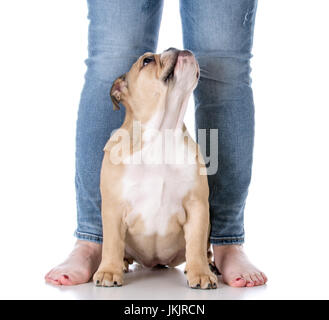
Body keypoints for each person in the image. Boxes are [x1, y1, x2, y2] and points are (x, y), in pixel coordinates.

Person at [45, 0, 267, 288]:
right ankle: (95, 242)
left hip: (179, 236)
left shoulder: (192, 156)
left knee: (222, 60)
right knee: (114, 51)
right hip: (133, 170)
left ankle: (223, 244)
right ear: (121, 92)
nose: (161, 58)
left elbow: (195, 205)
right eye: (149, 61)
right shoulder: (120, 154)